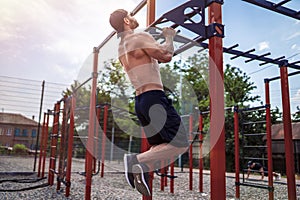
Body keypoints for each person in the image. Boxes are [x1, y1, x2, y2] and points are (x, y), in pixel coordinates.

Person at [109, 9, 189, 196]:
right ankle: (134, 161)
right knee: (180, 143)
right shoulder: (139, 37)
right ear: (127, 20)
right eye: (131, 16)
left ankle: (140, 169)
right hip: (154, 97)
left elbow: (150, 60)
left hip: (141, 102)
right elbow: (166, 56)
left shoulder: (122, 48)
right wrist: (169, 37)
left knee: (158, 146)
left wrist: (156, 42)